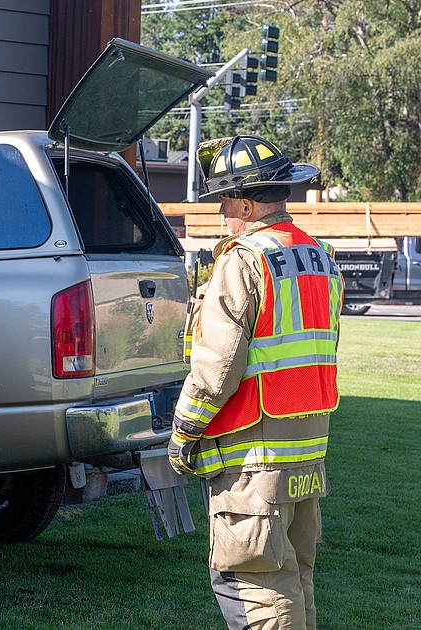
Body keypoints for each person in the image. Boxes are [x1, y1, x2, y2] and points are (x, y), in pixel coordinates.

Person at [169, 135, 341, 630]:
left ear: (245, 202)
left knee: (256, 590)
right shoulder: (320, 257)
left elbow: (217, 368)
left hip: (253, 458)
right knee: (294, 581)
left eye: (224, 201)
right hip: (307, 449)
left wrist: (183, 434)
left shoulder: (243, 259)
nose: (222, 214)